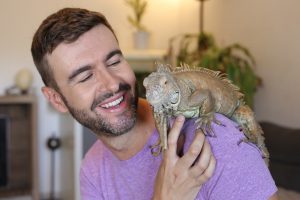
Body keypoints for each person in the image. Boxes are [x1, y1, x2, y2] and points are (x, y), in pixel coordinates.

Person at [31, 8, 278, 200]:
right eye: (85, 76)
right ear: (56, 99)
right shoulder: (93, 169)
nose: (112, 84)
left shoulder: (213, 138)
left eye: (114, 61)